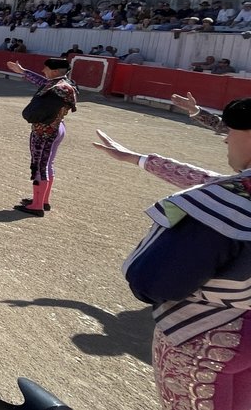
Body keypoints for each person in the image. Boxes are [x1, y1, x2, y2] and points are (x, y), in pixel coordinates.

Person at [93, 97, 251, 409]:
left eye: (232, 130)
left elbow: (154, 281)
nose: (226, 139)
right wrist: (139, 159)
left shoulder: (232, 200)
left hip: (207, 332)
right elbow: (214, 181)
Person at [7, 58, 78, 216]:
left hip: (45, 131)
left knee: (39, 166)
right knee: (47, 164)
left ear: (54, 71)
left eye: (46, 69)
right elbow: (43, 82)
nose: (43, 71)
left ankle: (37, 205)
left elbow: (39, 109)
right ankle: (43, 200)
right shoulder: (66, 84)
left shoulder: (55, 88)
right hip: (58, 127)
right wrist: (23, 71)